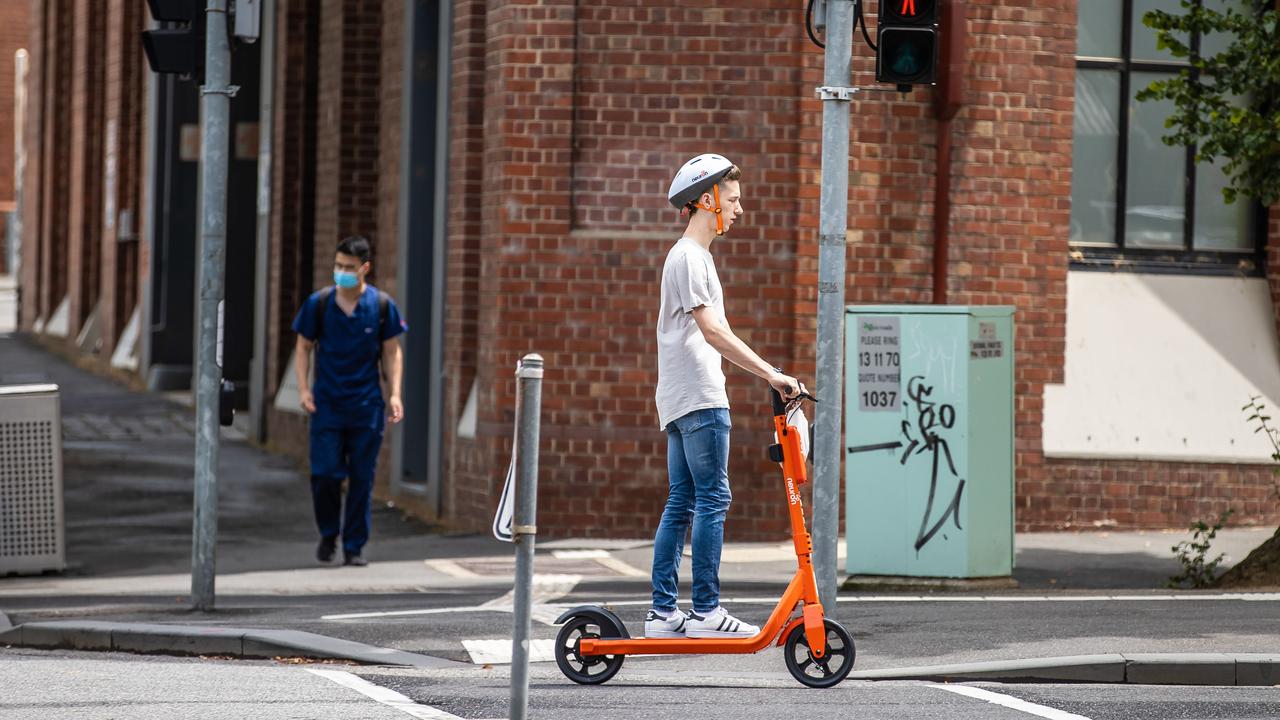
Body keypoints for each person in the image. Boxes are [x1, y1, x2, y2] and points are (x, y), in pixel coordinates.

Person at [646, 154, 807, 638]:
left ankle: (663, 614)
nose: (740, 209)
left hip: (678, 398)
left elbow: (715, 331)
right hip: (700, 397)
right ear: (708, 199)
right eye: (733, 200)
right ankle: (707, 612)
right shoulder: (691, 257)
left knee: (683, 501)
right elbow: (713, 331)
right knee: (713, 497)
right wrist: (773, 374)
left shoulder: (690, 257)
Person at [292, 235, 407, 567]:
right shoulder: (320, 303)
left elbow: (392, 352)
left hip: (366, 405)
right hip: (327, 403)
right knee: (325, 473)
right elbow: (303, 347)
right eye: (338, 265)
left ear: (364, 268)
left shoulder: (382, 306)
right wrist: (303, 388)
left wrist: (395, 393)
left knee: (361, 476)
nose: (341, 272)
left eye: (348, 267)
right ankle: (329, 534)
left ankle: (354, 545)